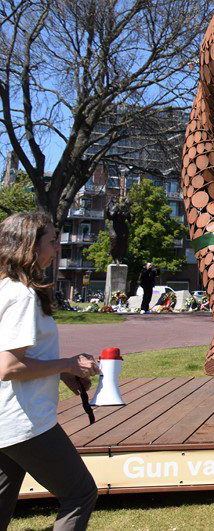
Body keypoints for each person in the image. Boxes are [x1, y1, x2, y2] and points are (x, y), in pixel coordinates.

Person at [0, 211, 100, 530]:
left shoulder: (5, 288)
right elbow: (9, 366)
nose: (57, 247)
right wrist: (69, 364)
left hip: (6, 423)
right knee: (80, 493)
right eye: (52, 241)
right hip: (24, 422)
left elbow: (22, 355)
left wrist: (60, 372)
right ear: (30, 246)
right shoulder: (21, 295)